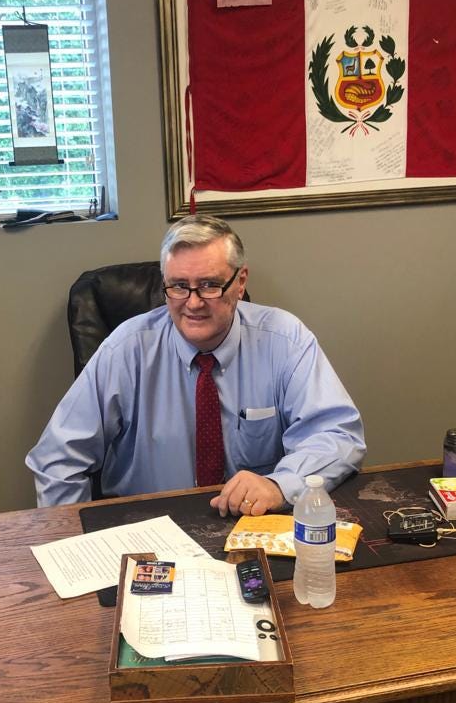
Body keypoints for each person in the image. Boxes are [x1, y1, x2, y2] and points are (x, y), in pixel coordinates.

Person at [26, 215, 365, 515]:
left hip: (252, 524)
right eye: (178, 286)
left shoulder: (285, 340)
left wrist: (280, 485)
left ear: (240, 281)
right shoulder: (126, 349)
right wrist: (71, 541)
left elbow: (336, 434)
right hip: (146, 529)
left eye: (209, 285)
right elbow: (57, 460)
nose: (193, 303)